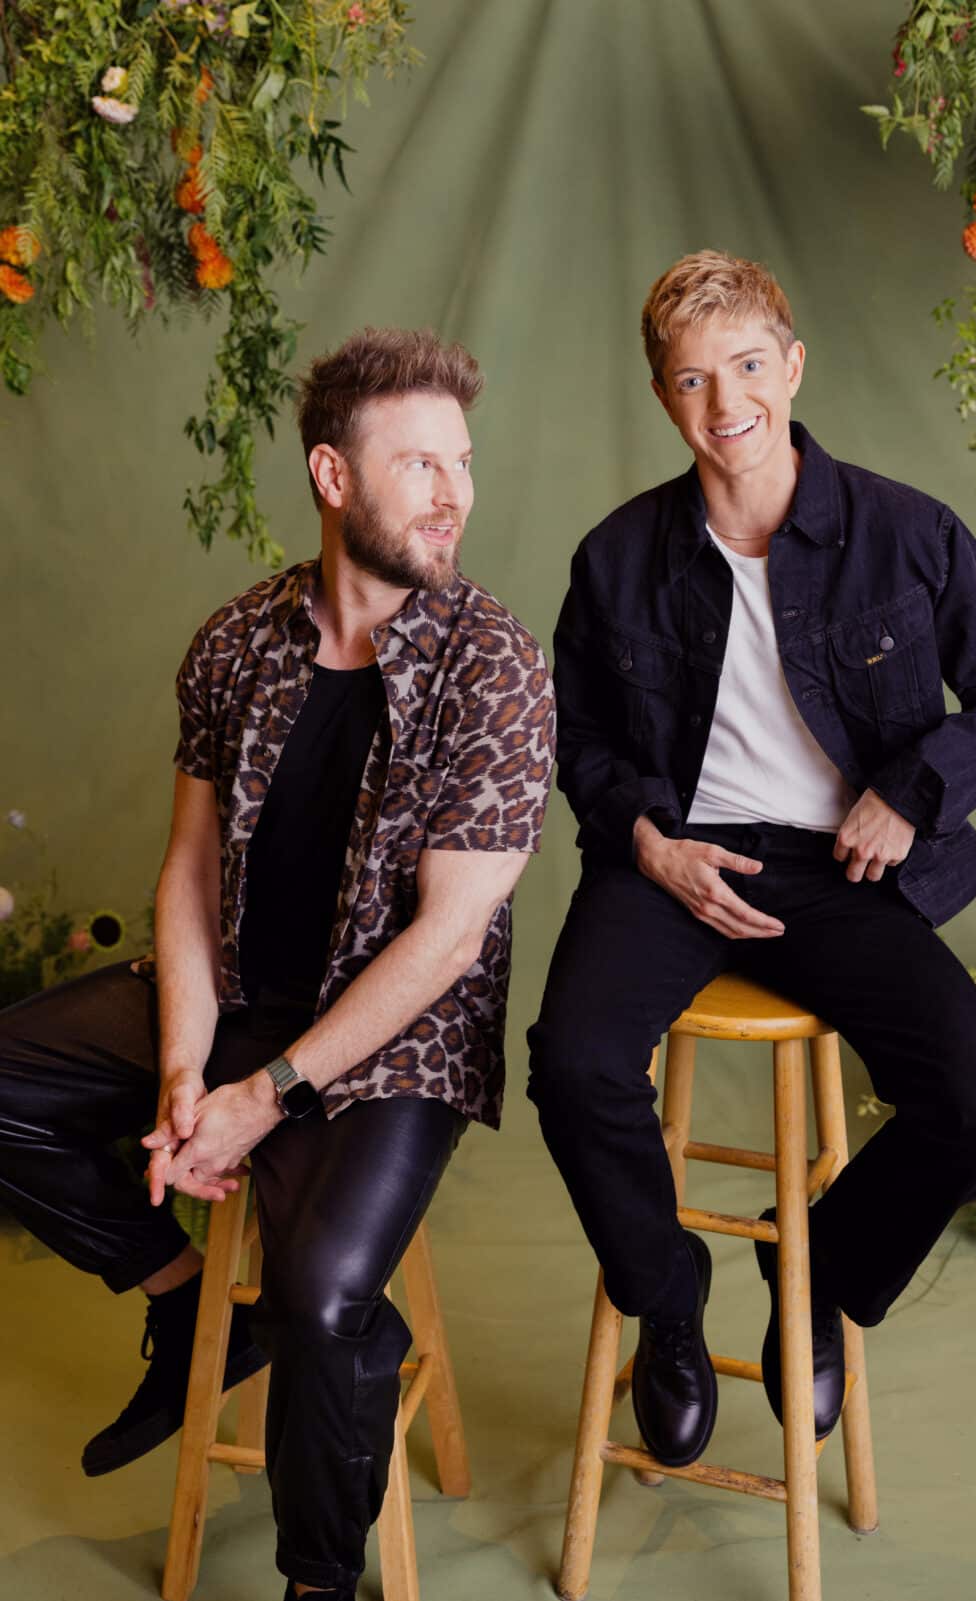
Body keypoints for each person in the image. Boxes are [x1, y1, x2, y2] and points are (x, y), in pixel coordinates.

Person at [0, 327, 555, 1600]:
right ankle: (193, 1297)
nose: (452, 490)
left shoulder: (496, 667)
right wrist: (188, 1068)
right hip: (240, 990)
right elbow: (189, 872)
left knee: (321, 1303)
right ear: (331, 474)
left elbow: (447, 940)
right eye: (418, 463)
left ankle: (319, 1581)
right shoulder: (235, 643)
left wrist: (264, 1098)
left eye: (461, 462)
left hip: (396, 1042)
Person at [527, 249, 976, 1471]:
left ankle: (811, 1265)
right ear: (665, 398)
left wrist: (910, 794)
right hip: (673, 859)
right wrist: (651, 842)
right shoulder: (616, 558)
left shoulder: (906, 532)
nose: (727, 405)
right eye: (693, 380)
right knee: (572, 1061)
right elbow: (589, 739)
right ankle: (665, 1293)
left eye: (749, 367)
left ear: (794, 364)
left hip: (840, 871)